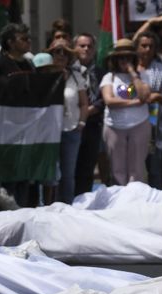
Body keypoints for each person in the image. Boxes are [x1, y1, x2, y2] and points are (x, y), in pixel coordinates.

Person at [100, 39, 150, 186]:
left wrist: (132, 73)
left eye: (128, 57)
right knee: (117, 169)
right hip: (114, 127)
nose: (124, 60)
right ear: (115, 59)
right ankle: (120, 198)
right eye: (121, 57)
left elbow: (144, 96)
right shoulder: (108, 77)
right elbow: (109, 101)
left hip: (139, 124)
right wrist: (134, 103)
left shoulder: (142, 75)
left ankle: (136, 198)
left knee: (137, 168)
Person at [135, 32, 162, 189]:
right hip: (130, 120)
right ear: (137, 48)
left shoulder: (161, 70)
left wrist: (158, 96)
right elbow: (120, 90)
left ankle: (156, 197)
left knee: (154, 166)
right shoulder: (129, 68)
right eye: (144, 45)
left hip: (153, 117)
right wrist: (139, 93)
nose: (147, 49)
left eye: (151, 46)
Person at [49, 39, 87, 203]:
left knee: (68, 174)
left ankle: (67, 207)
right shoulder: (44, 75)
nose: (62, 56)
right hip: (50, 132)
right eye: (58, 52)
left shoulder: (77, 76)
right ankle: (49, 207)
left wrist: (81, 123)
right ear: (51, 54)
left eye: (65, 53)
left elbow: (84, 103)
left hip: (71, 130)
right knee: (50, 175)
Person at [72, 33, 105, 196]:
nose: (86, 49)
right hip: (71, 125)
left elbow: (104, 97)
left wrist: (88, 111)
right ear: (74, 48)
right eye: (82, 45)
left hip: (92, 125)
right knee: (70, 168)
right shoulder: (69, 70)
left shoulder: (101, 72)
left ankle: (83, 203)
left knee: (87, 169)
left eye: (89, 46)